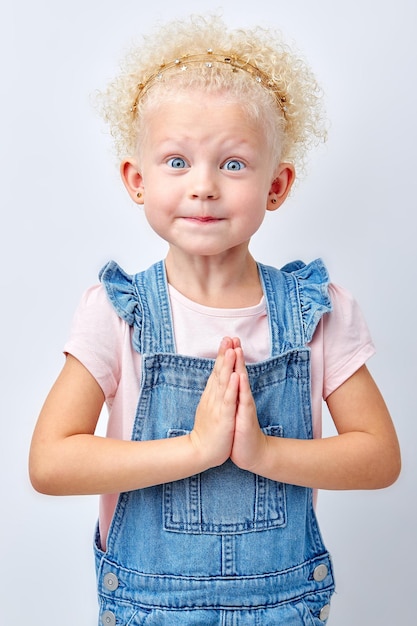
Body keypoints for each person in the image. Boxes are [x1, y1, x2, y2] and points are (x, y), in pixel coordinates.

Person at [29, 14, 401, 625]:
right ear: (136, 180)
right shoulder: (118, 312)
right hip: (150, 609)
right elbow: (50, 463)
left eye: (233, 164)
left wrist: (262, 452)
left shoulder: (313, 312)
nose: (203, 186)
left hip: (283, 608)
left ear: (276, 185)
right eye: (176, 161)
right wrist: (197, 449)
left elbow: (379, 457)